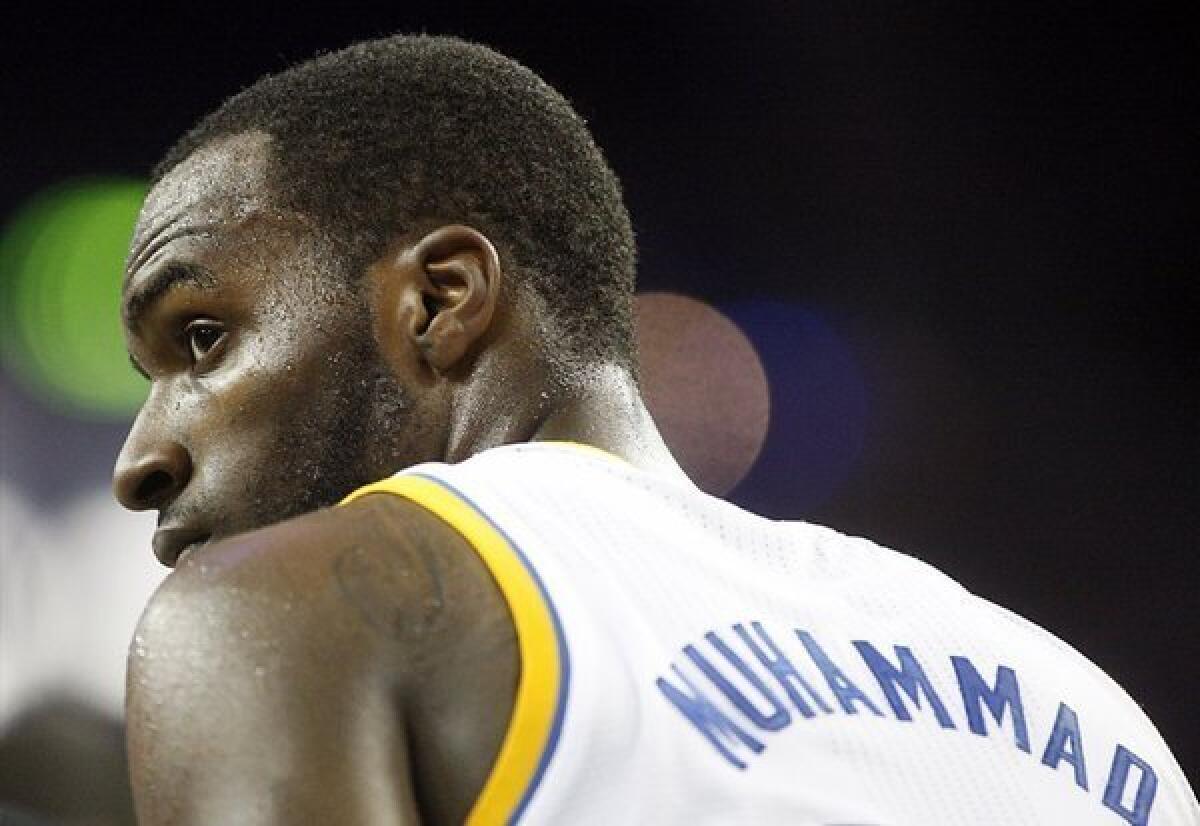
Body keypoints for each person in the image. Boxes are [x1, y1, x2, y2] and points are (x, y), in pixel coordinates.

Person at [112, 35, 1197, 825]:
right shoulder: (1095, 718)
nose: (139, 457)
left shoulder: (278, 614)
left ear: (441, 299)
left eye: (201, 338)